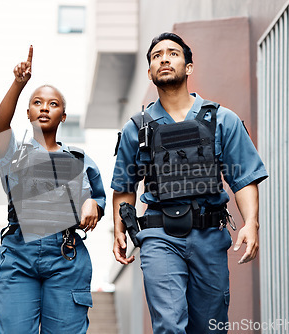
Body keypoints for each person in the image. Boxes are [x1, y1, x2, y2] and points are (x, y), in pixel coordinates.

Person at [112, 32, 268, 333]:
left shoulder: (223, 120)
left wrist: (251, 222)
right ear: (149, 73)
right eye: (157, 56)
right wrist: (119, 230)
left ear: (189, 67)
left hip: (209, 235)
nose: (164, 59)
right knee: (169, 326)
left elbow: (243, 177)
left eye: (172, 53)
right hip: (159, 236)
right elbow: (124, 187)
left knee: (210, 327)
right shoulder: (137, 128)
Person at [0, 45, 106, 333]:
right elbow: (0, 124)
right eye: (37, 102)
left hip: (65, 256)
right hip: (19, 254)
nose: (44, 107)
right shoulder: (12, 156)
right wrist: (19, 84)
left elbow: (97, 200)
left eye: (53, 104)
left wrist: (93, 203)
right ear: (28, 111)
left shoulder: (80, 160)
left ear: (64, 116)